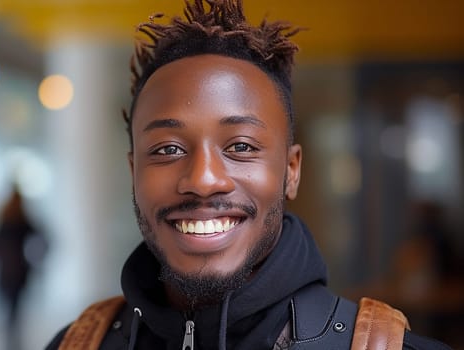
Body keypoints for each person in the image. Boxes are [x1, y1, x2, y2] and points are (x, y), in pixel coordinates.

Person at [45, 0, 452, 349]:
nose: (204, 180)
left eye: (240, 146)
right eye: (168, 149)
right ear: (134, 171)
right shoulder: (78, 342)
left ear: (291, 171)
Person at [0, 184, 46, 349]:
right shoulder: (22, 220)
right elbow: (44, 239)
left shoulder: (4, 220)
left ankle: (10, 342)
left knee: (9, 313)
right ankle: (12, 343)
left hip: (6, 273)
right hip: (18, 274)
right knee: (14, 312)